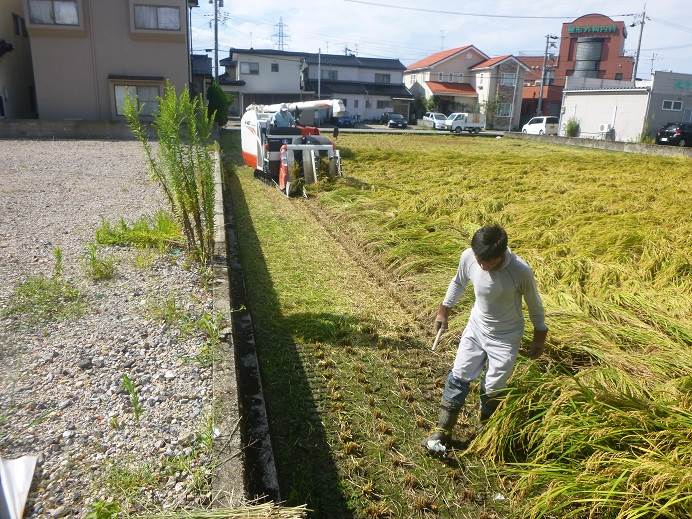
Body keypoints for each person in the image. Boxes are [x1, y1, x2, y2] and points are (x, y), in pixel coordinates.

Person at [422, 224, 548, 452]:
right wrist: (444, 309)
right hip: (476, 327)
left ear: (500, 255)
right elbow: (458, 282)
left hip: (506, 336)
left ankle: (485, 430)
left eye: (486, 261)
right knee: (459, 375)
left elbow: (534, 304)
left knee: (493, 387)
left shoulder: (520, 271)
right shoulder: (470, 257)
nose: (481, 264)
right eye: (478, 259)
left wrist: (540, 335)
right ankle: (443, 430)